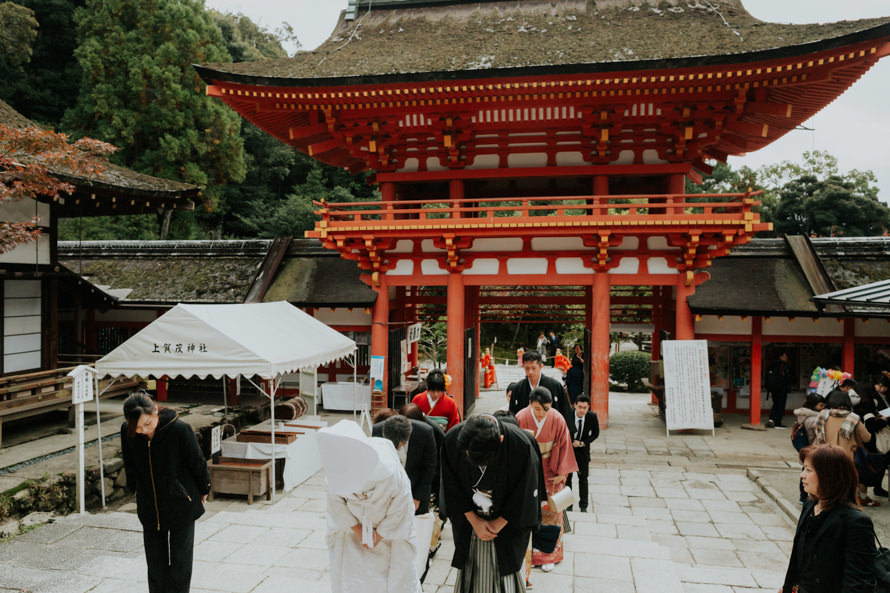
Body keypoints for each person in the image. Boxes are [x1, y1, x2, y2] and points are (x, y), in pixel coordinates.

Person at [120, 391, 210, 593]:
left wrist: (204, 488)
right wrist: (135, 489)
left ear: (156, 411)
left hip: (181, 503)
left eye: (147, 424)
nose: (143, 431)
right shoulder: (128, 430)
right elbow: (130, 462)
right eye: (137, 427)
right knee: (155, 564)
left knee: (180, 563)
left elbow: (197, 462)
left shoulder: (180, 429)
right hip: (149, 505)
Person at [317, 420, 420, 593]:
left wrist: (378, 535)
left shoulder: (389, 470)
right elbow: (335, 503)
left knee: (395, 579)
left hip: (389, 534)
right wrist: (358, 530)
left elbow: (401, 505)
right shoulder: (336, 469)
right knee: (353, 580)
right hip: (353, 533)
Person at [441, 414, 541, 593]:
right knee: (470, 565)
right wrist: (474, 521)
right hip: (469, 518)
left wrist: (498, 523)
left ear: (501, 440)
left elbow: (525, 492)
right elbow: (450, 485)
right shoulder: (452, 439)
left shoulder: (520, 444)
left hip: (507, 521)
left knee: (506, 567)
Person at [781, 444, 878, 593]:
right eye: (803, 468)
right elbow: (797, 560)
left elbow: (858, 583)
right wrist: (787, 588)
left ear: (828, 476)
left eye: (809, 470)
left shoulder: (855, 522)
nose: (802, 475)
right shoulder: (810, 505)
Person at [516, 387, 578, 572]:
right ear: (530, 404)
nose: (541, 413)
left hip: (551, 469)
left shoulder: (557, 418)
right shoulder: (521, 417)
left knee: (552, 512)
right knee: (528, 510)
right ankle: (530, 554)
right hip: (529, 469)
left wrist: (562, 471)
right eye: (537, 409)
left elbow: (565, 444)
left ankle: (549, 555)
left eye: (545, 409)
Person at [815, 389, 878, 506]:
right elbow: (867, 438)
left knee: (827, 486)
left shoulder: (822, 416)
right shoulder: (854, 418)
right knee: (846, 489)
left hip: (825, 457)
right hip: (846, 460)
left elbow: (817, 434)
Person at [371, 414, 438, 514]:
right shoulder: (377, 430)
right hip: (387, 492)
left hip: (416, 489)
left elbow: (429, 468)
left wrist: (417, 498)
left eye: (401, 444)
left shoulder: (425, 432)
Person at [508, 351, 573, 423]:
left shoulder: (554, 385)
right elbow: (512, 413)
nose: (530, 372)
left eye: (533, 368)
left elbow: (565, 410)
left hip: (550, 428)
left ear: (541, 366)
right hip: (525, 430)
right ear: (523, 367)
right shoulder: (518, 388)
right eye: (527, 368)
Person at [564, 395, 599, 513]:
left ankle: (583, 506)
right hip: (568, 450)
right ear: (575, 405)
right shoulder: (568, 413)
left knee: (583, 479)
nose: (582, 410)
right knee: (567, 478)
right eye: (580, 407)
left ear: (588, 407)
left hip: (583, 451)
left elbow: (595, 434)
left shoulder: (592, 417)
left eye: (585, 407)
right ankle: (568, 505)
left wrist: (582, 443)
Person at [792, 393, 825, 503]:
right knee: (810, 473)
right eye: (820, 405)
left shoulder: (803, 414)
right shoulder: (814, 419)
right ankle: (806, 496)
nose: (823, 408)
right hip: (813, 447)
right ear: (813, 405)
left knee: (805, 471)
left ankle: (803, 496)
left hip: (806, 447)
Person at [766, 350, 793, 428]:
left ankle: (771, 419)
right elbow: (786, 378)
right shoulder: (783, 366)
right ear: (781, 356)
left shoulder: (772, 365)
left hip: (773, 389)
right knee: (781, 405)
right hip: (781, 389)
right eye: (785, 356)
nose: (786, 357)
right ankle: (777, 422)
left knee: (776, 404)